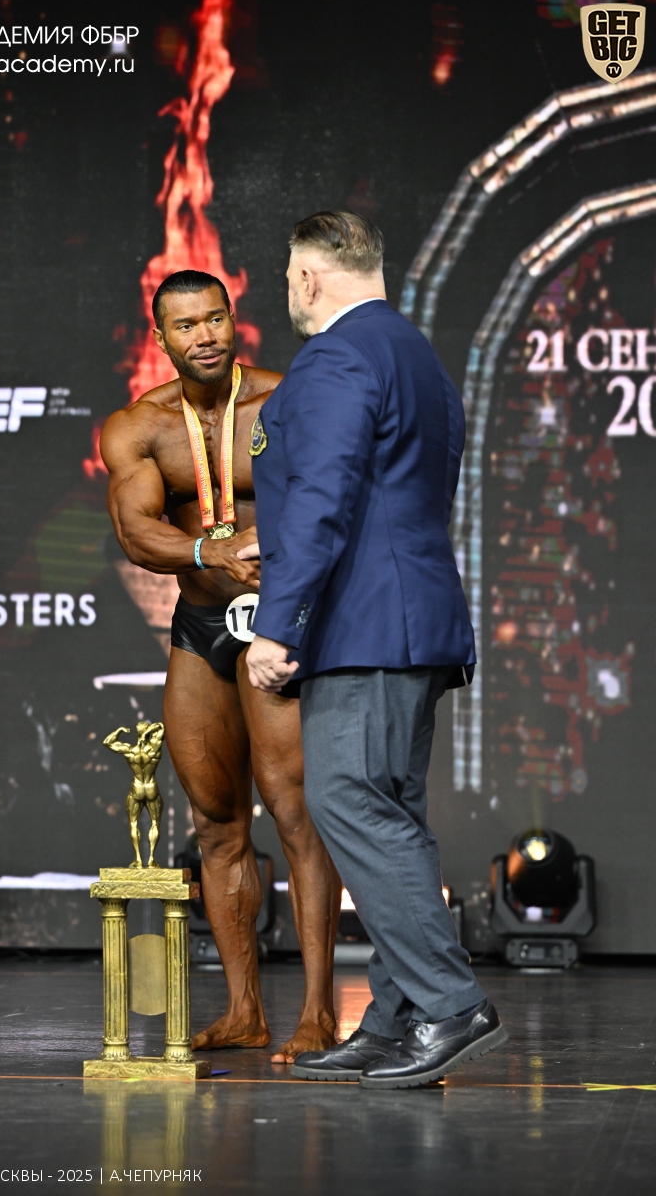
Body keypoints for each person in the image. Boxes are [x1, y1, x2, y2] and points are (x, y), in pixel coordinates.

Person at [244, 212, 507, 1088]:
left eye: (289, 277)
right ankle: (396, 1021)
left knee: (349, 798)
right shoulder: (419, 358)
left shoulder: (336, 357)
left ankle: (450, 1005)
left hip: (364, 626)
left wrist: (279, 622)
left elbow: (322, 496)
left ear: (309, 278)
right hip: (412, 618)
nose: (289, 291)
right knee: (391, 812)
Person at [101, 269, 340, 1063]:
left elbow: (331, 501)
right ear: (159, 337)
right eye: (185, 325)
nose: (204, 336)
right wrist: (212, 552)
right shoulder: (139, 427)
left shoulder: (284, 401)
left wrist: (275, 556)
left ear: (234, 318)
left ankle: (318, 1013)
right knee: (215, 820)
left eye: (214, 318)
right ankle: (244, 1011)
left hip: (279, 623)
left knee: (295, 813)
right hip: (202, 623)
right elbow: (137, 532)